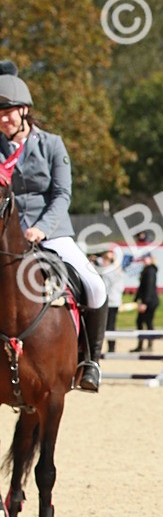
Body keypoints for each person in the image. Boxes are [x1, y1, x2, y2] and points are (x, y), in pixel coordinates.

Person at [0, 61, 108, 391]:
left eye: (7, 112)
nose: (2, 119)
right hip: (5, 235)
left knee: (95, 285)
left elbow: (62, 194)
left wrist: (42, 229)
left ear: (24, 110)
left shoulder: (51, 144)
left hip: (50, 233)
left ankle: (90, 361)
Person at [97, 247, 126, 354]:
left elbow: (105, 286)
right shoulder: (116, 270)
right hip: (113, 300)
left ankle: (111, 347)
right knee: (109, 325)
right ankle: (110, 347)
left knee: (109, 325)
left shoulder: (111, 271)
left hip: (111, 301)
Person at [134, 251, 158, 351]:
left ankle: (148, 345)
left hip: (150, 301)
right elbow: (141, 288)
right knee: (141, 322)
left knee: (147, 322)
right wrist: (135, 299)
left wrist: (145, 303)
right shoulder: (146, 270)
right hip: (147, 300)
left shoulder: (150, 271)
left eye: (145, 258)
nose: (143, 260)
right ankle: (142, 345)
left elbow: (149, 288)